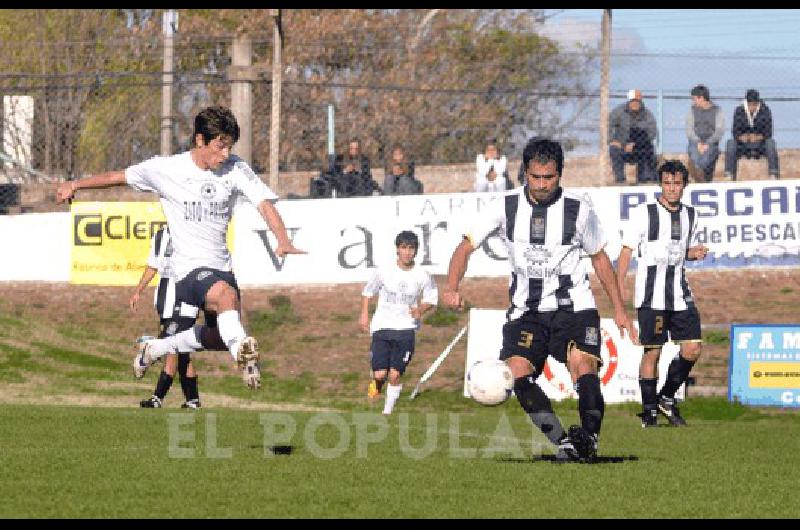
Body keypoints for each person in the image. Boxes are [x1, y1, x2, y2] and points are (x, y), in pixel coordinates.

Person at [56, 105, 306, 389]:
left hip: (222, 267)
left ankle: (156, 349)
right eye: (220, 146)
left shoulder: (235, 168)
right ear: (200, 140)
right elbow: (118, 177)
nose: (225, 154)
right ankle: (244, 356)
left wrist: (282, 239)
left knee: (218, 336)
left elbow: (263, 203)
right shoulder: (166, 169)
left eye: (229, 147)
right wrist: (75, 184)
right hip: (187, 271)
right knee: (226, 300)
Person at [442, 137, 637, 462]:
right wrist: (451, 286)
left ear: (560, 174)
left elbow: (600, 260)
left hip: (573, 307)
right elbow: (465, 246)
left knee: (583, 365)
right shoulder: (504, 207)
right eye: (536, 177)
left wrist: (619, 309)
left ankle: (589, 438)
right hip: (526, 312)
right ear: (525, 174)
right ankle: (563, 442)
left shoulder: (578, 210)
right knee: (516, 372)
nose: (543, 184)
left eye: (550, 177)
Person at [616, 159, 709, 428]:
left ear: (684, 186)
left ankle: (666, 397)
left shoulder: (691, 215)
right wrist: (619, 286)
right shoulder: (643, 213)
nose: (671, 189)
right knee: (653, 352)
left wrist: (692, 254)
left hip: (680, 293)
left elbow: (675, 252)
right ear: (661, 184)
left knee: (692, 348)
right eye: (667, 183)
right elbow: (626, 252)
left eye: (677, 184)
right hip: (650, 296)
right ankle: (648, 412)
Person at [359, 231, 438, 415]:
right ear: (397, 249)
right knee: (380, 374)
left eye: (411, 248)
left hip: (406, 329)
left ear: (416, 251)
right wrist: (364, 314)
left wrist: (420, 309)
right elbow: (367, 292)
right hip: (382, 327)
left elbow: (432, 298)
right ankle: (377, 385)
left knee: (394, 374)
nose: (407, 252)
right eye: (404, 248)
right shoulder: (384, 271)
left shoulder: (423, 275)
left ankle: (387, 413)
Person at [129, 227, 202, 409]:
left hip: (185, 303)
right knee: (182, 354)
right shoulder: (160, 236)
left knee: (171, 346)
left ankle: (156, 396)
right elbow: (153, 266)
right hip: (166, 304)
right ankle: (192, 400)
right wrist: (138, 291)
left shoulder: (192, 232)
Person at [724, 89, 780, 181]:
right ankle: (729, 174)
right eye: (750, 104)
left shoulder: (765, 110)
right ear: (746, 102)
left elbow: (769, 132)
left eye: (754, 104)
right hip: (743, 144)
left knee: (771, 143)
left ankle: (773, 174)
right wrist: (742, 137)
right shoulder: (739, 110)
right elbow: (735, 131)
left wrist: (759, 137)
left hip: (760, 144)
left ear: (758, 103)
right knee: (730, 143)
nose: (752, 107)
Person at [608, 89, 658, 184]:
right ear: (629, 101)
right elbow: (607, 126)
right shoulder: (618, 112)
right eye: (633, 101)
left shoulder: (647, 114)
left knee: (649, 149)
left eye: (638, 101)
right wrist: (613, 140)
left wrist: (637, 144)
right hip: (621, 146)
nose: (635, 103)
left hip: (639, 146)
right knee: (613, 149)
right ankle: (620, 180)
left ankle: (644, 180)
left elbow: (652, 132)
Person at [686, 84, 725, 182]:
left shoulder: (717, 110)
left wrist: (708, 143)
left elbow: (719, 130)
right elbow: (689, 129)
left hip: (711, 141)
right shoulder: (692, 110)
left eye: (694, 99)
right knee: (694, 154)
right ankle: (700, 177)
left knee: (706, 158)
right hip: (695, 141)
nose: (693, 101)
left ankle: (699, 177)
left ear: (701, 98)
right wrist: (698, 142)